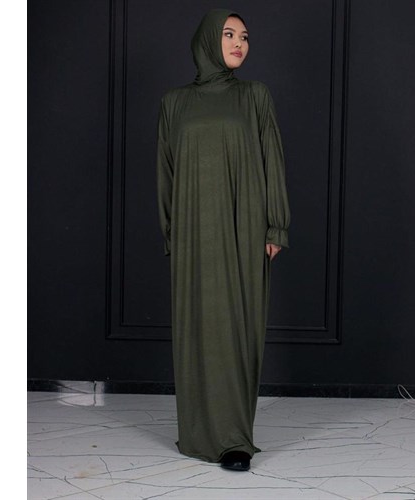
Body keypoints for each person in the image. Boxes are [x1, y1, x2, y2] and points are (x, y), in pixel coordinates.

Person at [156, 8, 290, 471]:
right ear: (208, 39)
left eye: (245, 37)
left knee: (238, 329)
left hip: (244, 227)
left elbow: (272, 157)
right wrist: (172, 233)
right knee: (197, 329)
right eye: (229, 34)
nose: (239, 44)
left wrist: (276, 225)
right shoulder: (174, 103)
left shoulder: (255, 96)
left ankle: (235, 438)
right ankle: (198, 432)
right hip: (193, 232)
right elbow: (165, 172)